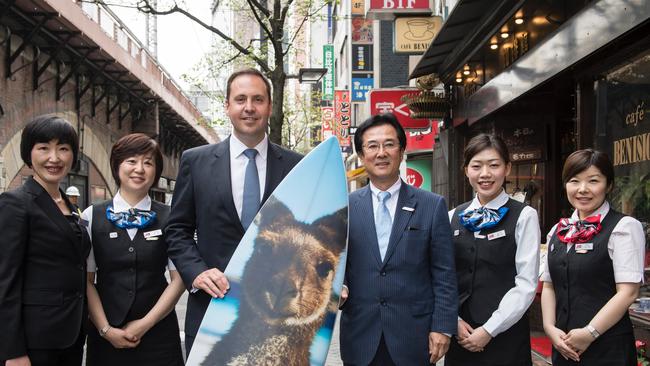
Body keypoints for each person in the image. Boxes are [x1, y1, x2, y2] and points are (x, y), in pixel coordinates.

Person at [165, 68, 303, 353]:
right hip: (212, 310)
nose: (249, 108)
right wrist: (197, 273)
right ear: (227, 106)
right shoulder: (196, 162)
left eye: (257, 99)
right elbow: (177, 231)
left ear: (269, 106)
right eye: (240, 99)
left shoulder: (296, 167)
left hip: (278, 319)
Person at [339, 113, 457, 365]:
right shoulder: (345, 208)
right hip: (360, 336)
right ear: (361, 155)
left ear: (402, 150)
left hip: (414, 337)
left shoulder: (431, 205)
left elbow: (444, 273)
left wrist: (443, 327)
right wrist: (341, 285)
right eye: (372, 146)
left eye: (389, 144)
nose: (381, 152)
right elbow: (337, 261)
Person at [82, 133, 184, 366]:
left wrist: (145, 323)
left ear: (156, 171)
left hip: (158, 333)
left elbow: (178, 280)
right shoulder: (92, 216)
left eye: (148, 163)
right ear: (117, 165)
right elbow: (86, 280)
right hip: (106, 335)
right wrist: (106, 330)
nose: (139, 169)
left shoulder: (171, 217)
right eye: (131, 161)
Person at [0, 115, 90, 366]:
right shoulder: (15, 204)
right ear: (29, 154)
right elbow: (5, 281)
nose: (54, 158)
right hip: (33, 341)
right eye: (43, 148)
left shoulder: (69, 205)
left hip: (70, 335)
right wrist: (13, 351)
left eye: (63, 148)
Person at [541, 149, 644, 365]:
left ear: (609, 185)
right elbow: (549, 285)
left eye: (593, 181)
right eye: (574, 181)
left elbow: (628, 292)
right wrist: (550, 328)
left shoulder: (623, 227)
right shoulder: (558, 231)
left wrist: (590, 332)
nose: (582, 189)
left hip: (607, 350)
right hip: (564, 347)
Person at [445, 133, 541, 366]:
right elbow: (442, 276)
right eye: (476, 166)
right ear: (466, 170)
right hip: (461, 334)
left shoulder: (524, 216)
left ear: (507, 168)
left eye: (494, 165)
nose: (485, 174)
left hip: (505, 334)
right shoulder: (452, 216)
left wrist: (489, 329)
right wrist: (452, 321)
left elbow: (526, 283)